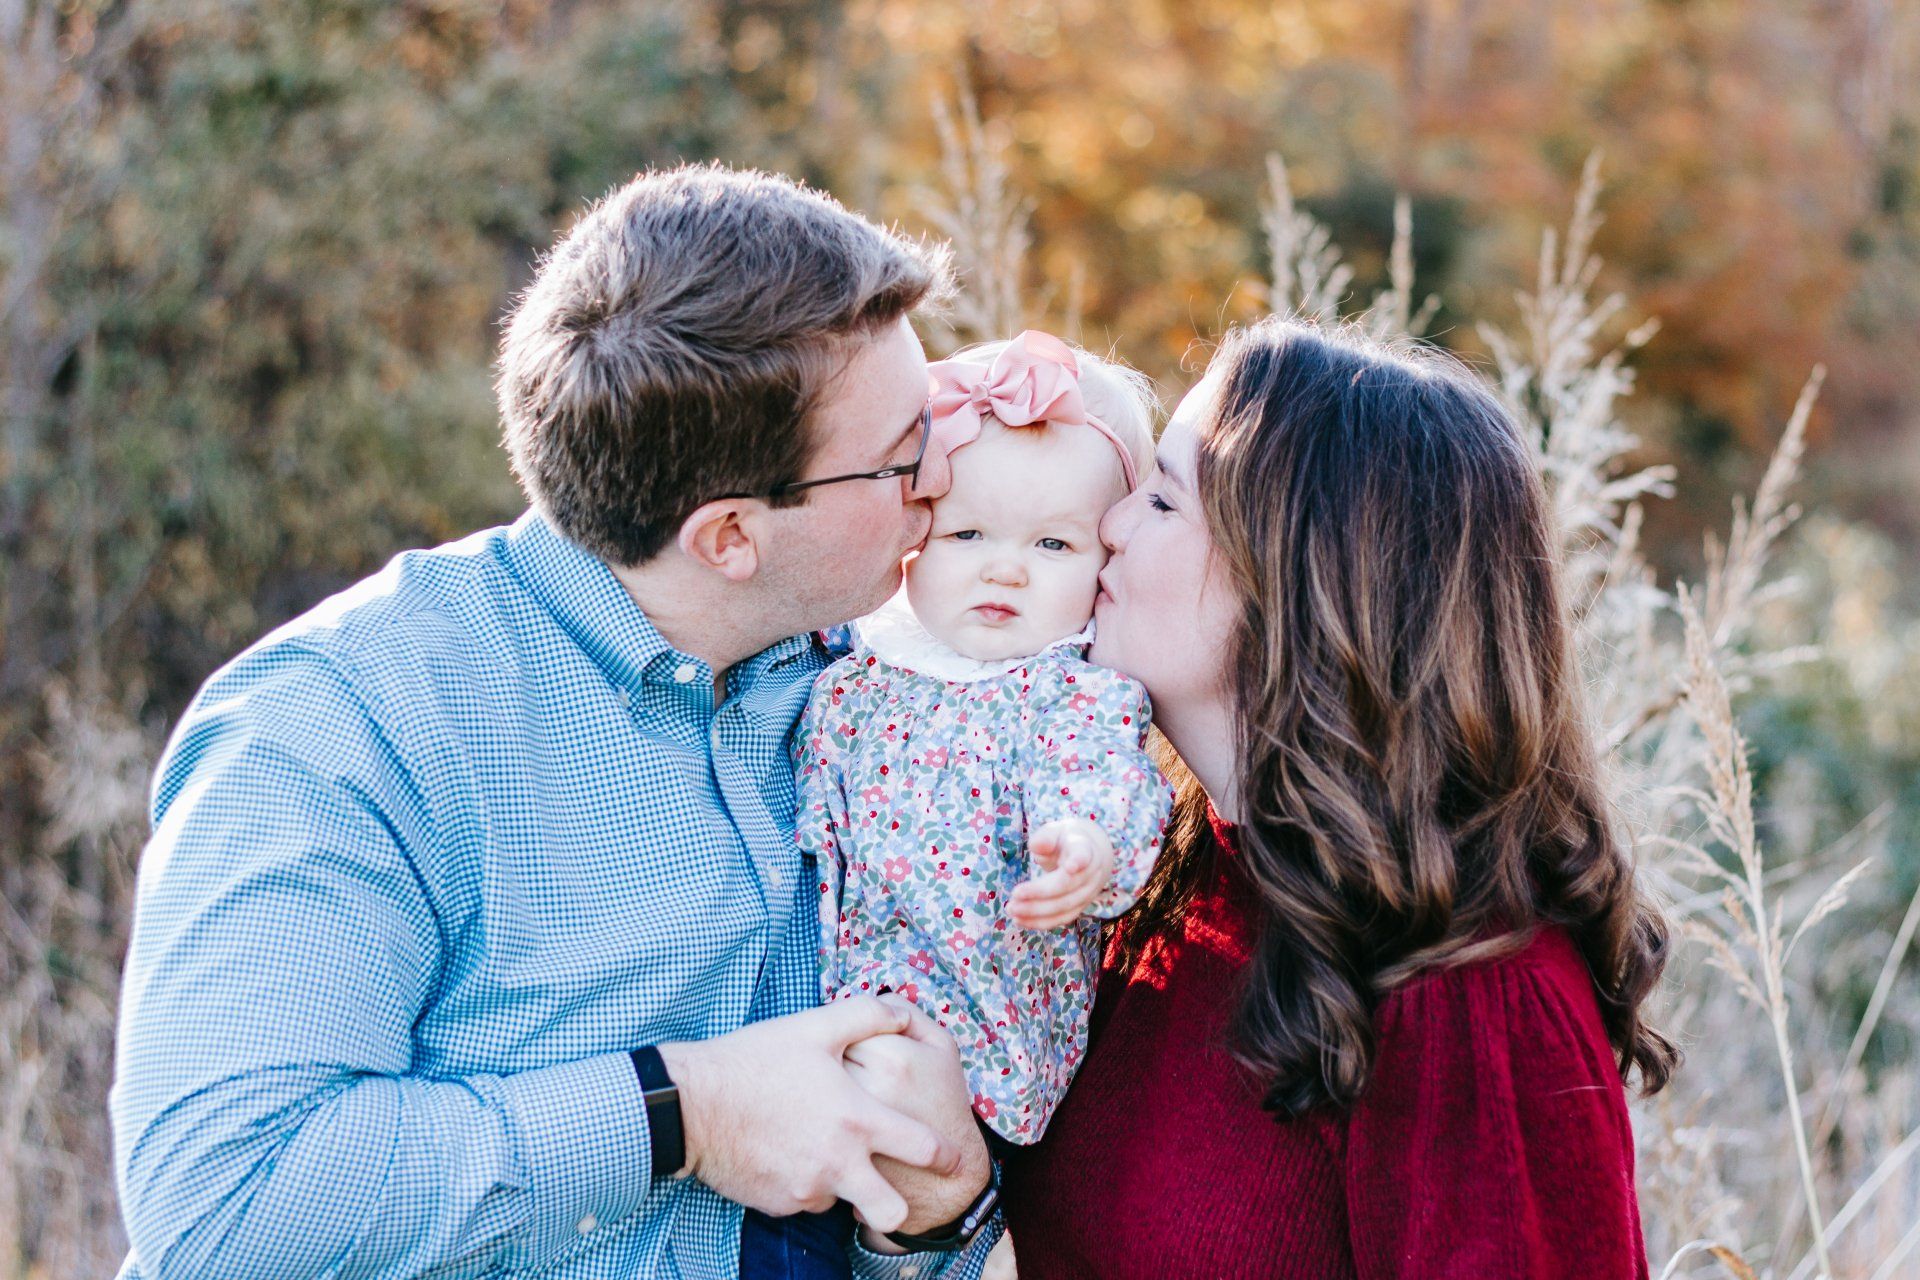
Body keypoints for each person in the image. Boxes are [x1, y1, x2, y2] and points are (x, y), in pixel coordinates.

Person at [109, 164, 997, 1280]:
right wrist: (684, 1110)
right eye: (909, 454)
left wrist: (932, 1220)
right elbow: (226, 1206)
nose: (949, 468)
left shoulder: (880, 700)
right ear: (729, 536)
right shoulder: (343, 722)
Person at [998, 318, 1679, 1278]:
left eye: (1160, 498)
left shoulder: (1470, 995)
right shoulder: (1155, 880)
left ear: (1300, 579)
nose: (1107, 522)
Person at [800, 331, 1172, 1158]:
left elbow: (1103, 779)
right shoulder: (859, 664)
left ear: (1104, 562)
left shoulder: (1066, 693)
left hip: (977, 1055)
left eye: (1052, 545)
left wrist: (1086, 849)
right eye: (968, 536)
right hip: (835, 1014)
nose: (1005, 571)